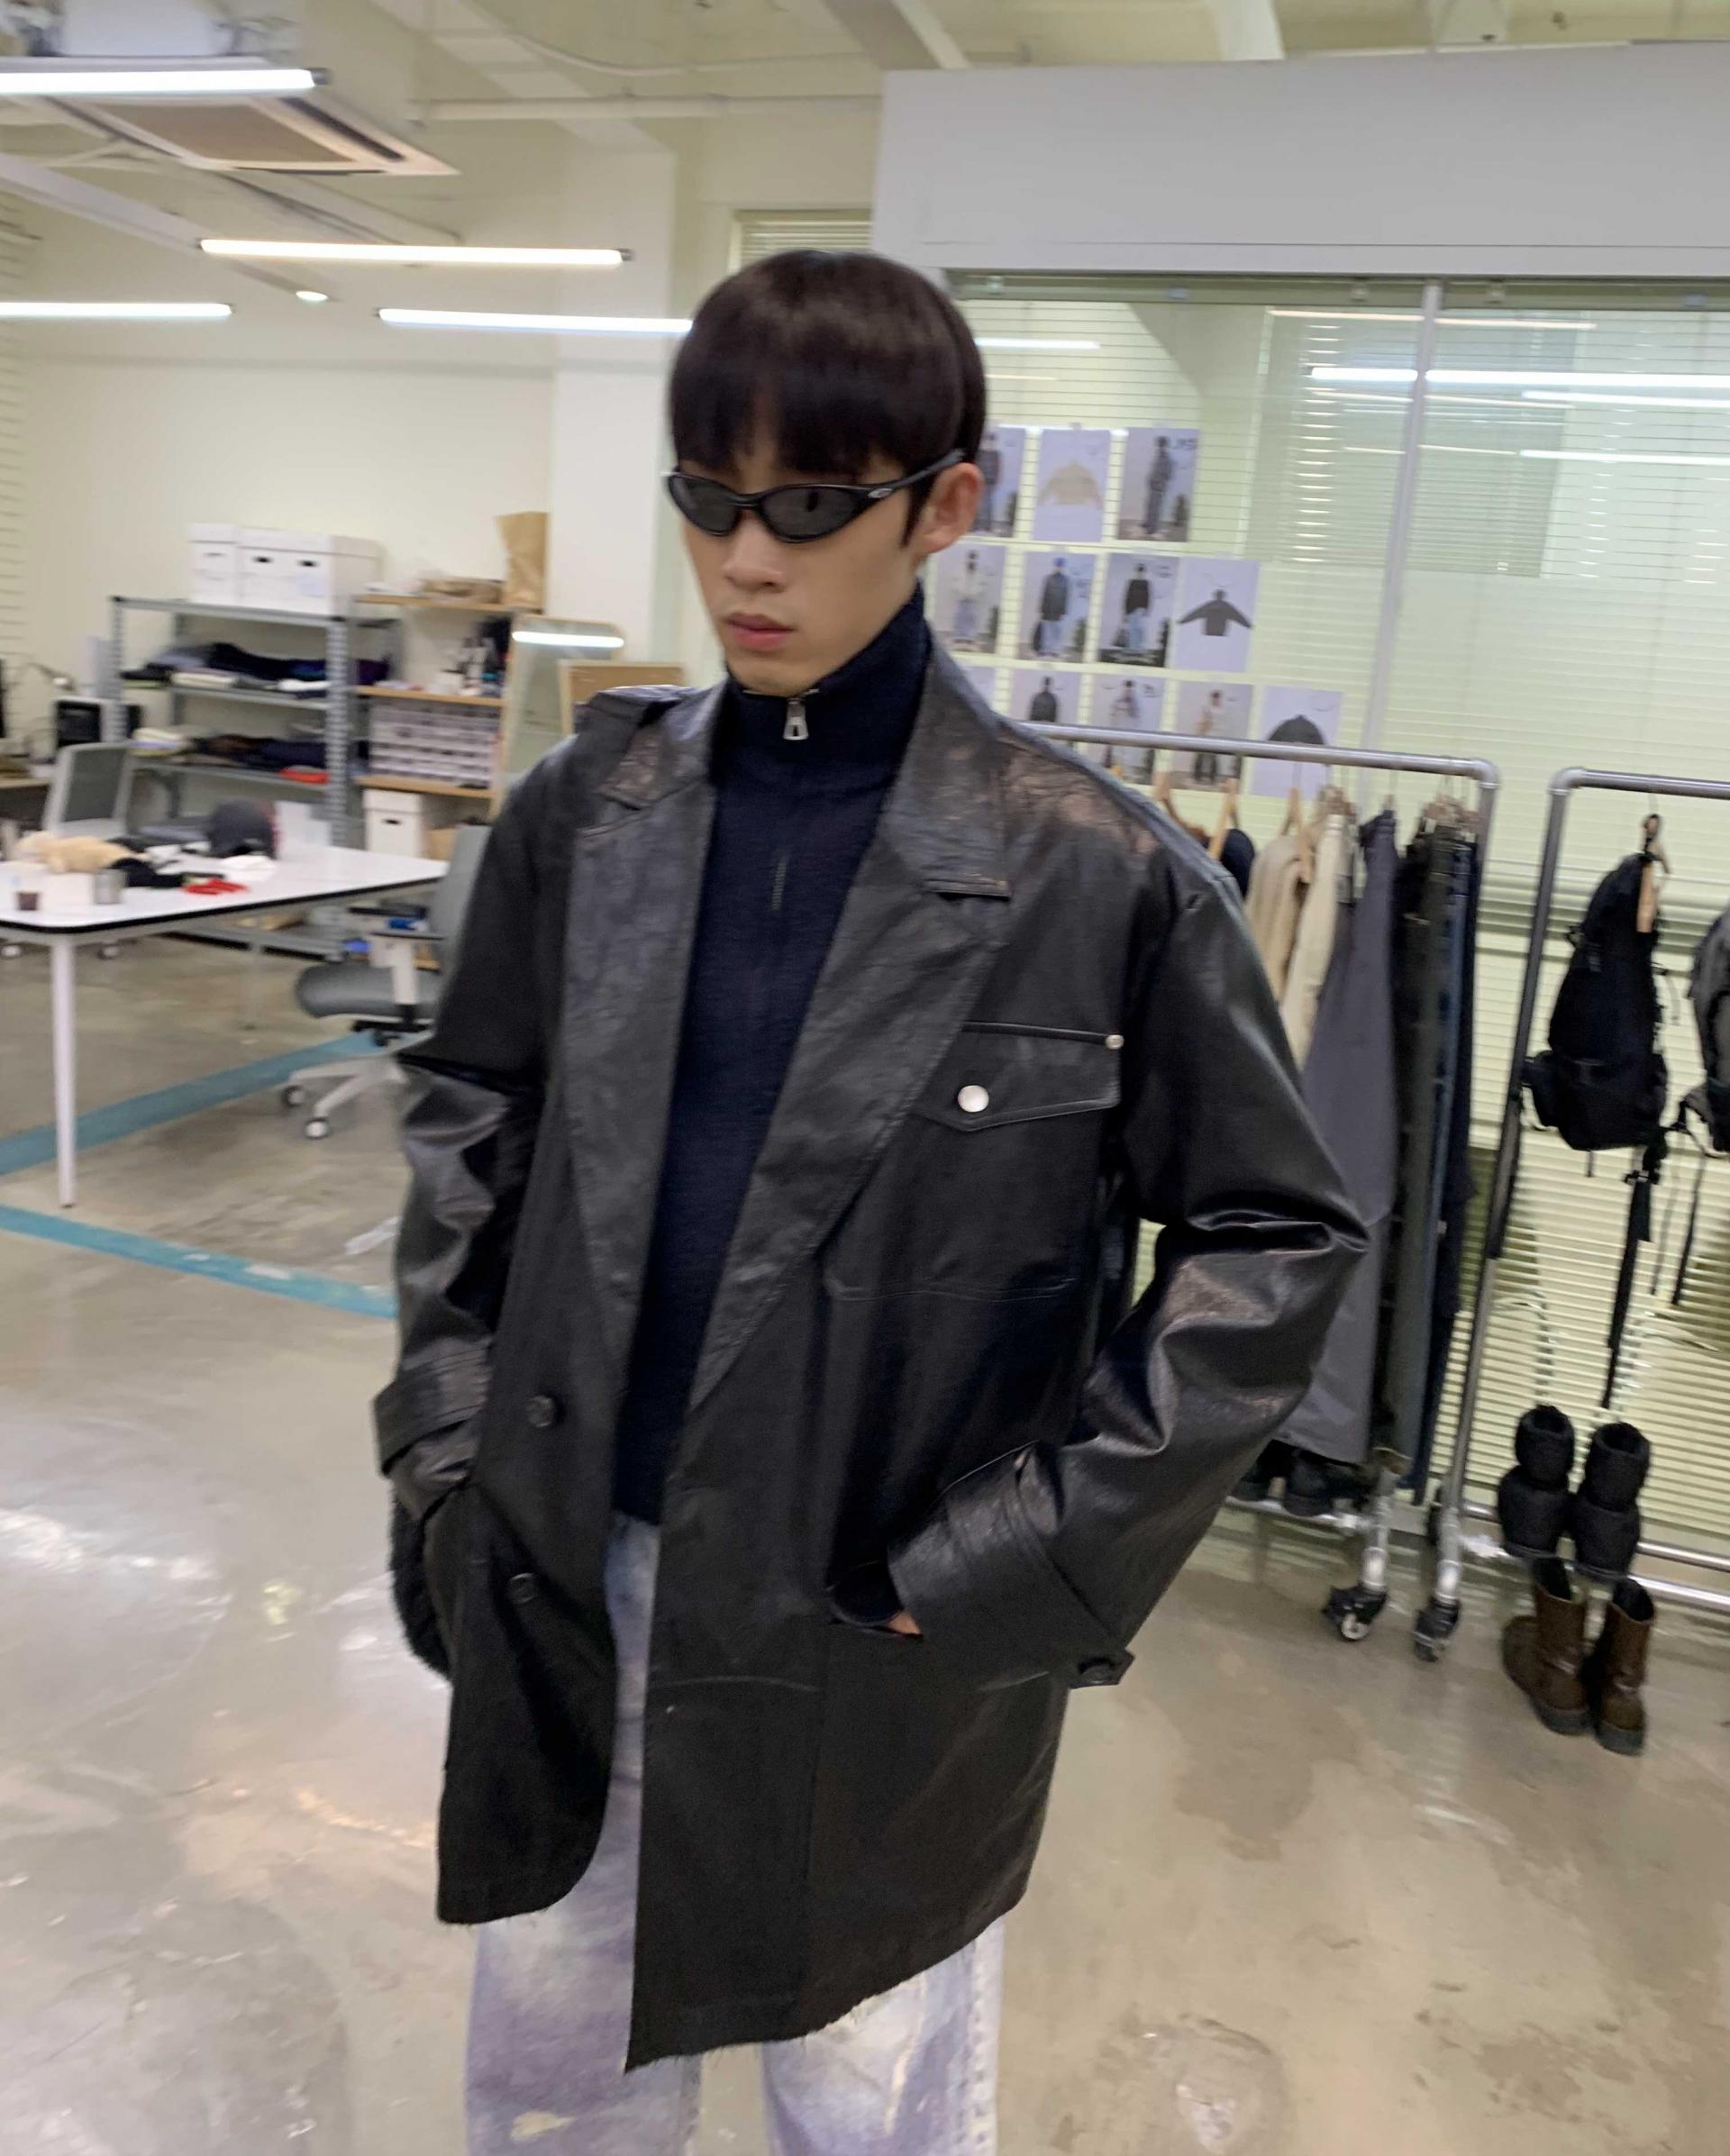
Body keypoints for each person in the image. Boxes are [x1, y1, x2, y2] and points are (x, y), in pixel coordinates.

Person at [374, 248, 1361, 2156]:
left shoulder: (1097, 875)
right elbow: (471, 1106)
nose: (748, 561)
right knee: (555, 2087)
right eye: (708, 498)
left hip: (873, 1613)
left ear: (946, 505)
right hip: (573, 1567)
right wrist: (443, 1438)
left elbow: (1275, 1233)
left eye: (813, 507)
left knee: (870, 2097)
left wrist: (1023, 1558)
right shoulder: (588, 817)